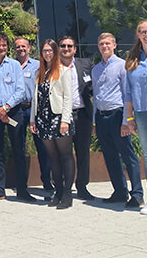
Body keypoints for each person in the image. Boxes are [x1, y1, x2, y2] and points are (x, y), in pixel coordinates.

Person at [92, 33, 143, 207]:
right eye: (101, 43)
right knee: (110, 156)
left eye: (107, 43)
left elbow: (127, 94)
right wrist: (94, 122)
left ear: (114, 45)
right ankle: (120, 192)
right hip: (101, 117)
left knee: (128, 156)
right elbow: (96, 97)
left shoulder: (122, 66)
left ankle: (137, 194)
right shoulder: (96, 69)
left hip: (117, 115)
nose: (104, 46)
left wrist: (126, 121)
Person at [0, 33, 34, 202]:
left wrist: (5, 108)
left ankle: (22, 189)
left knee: (18, 149)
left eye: (4, 45)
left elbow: (20, 90)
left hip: (13, 112)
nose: (1, 48)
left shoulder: (14, 65)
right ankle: (0, 189)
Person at [30, 40, 74, 209]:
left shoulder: (63, 71)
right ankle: (59, 191)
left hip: (58, 117)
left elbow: (68, 97)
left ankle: (68, 194)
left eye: (50, 50)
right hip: (43, 119)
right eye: (44, 51)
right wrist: (33, 119)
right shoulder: (39, 73)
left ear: (55, 52)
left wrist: (65, 120)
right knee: (53, 157)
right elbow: (35, 97)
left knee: (65, 155)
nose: (47, 54)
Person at [125, 19, 147, 215]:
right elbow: (128, 92)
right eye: (143, 32)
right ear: (138, 34)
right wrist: (129, 119)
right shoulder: (133, 58)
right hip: (142, 113)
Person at [58, 35, 94, 200]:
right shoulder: (54, 66)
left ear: (75, 49)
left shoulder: (85, 64)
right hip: (62, 116)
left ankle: (82, 186)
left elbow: (93, 86)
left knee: (83, 152)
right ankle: (64, 187)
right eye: (63, 46)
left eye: (69, 46)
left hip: (82, 114)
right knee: (63, 153)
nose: (66, 49)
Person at [14, 37, 53, 192]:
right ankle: (21, 184)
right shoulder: (12, 65)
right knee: (19, 147)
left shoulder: (38, 65)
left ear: (29, 47)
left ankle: (47, 181)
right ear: (14, 49)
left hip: (35, 110)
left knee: (42, 146)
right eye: (18, 47)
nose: (21, 49)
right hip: (16, 110)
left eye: (23, 46)